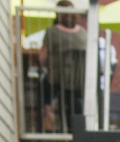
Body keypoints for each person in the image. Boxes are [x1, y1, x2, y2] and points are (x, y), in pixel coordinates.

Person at [40, 0, 86, 134]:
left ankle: (48, 111)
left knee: (44, 85)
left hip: (57, 80)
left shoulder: (52, 32)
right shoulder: (83, 33)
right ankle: (80, 116)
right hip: (79, 83)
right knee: (73, 97)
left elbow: (42, 57)